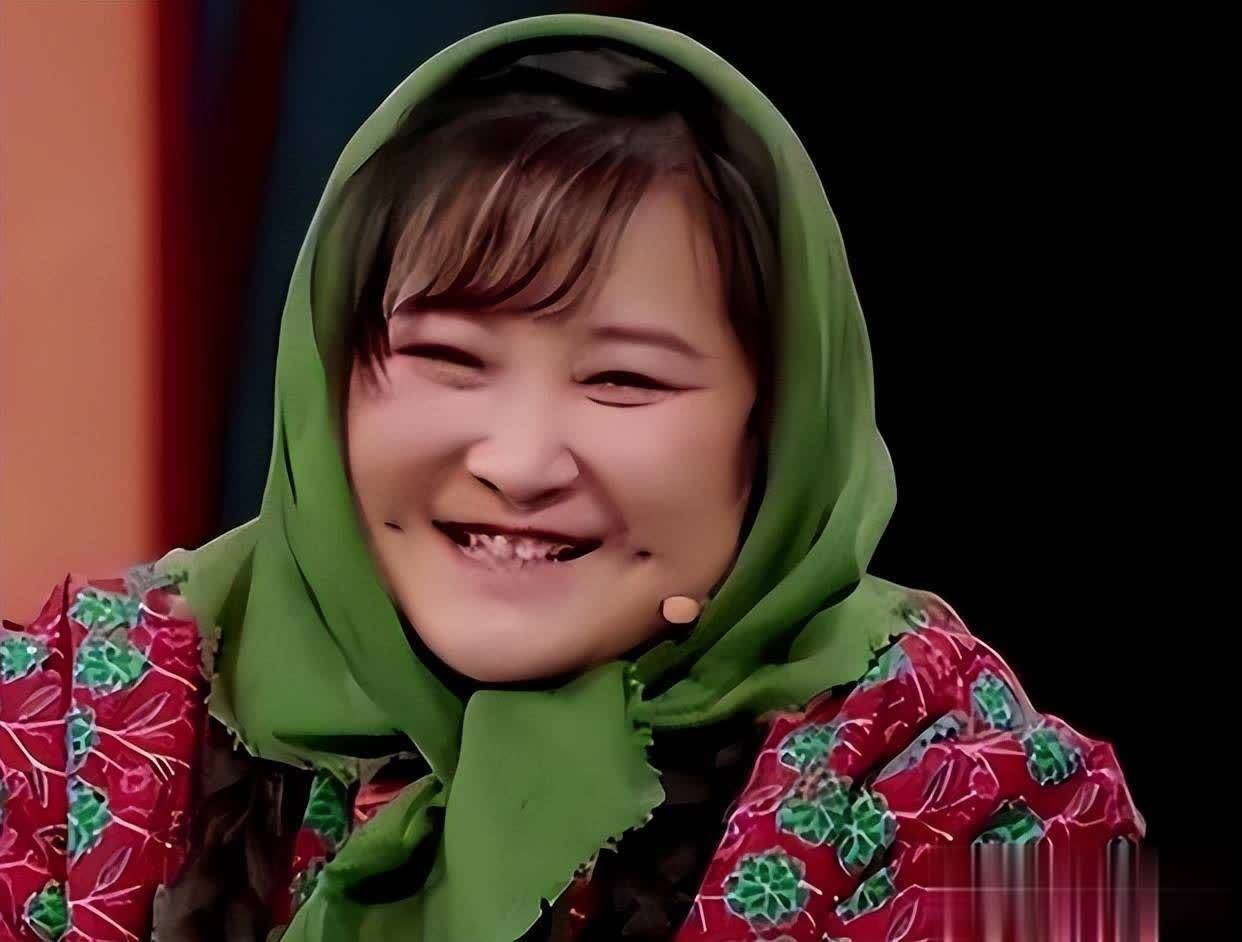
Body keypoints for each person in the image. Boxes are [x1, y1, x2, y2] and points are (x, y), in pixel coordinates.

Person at [0, 14, 1145, 942]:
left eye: (623, 381)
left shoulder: (979, 805)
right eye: (448, 359)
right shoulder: (67, 726)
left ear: (773, 428)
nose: (518, 462)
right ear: (331, 378)